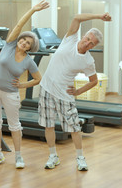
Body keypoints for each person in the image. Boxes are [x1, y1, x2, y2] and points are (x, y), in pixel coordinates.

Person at [38, 12, 111, 171]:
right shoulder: (70, 38)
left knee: (75, 128)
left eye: (91, 43)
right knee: (48, 126)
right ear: (83, 36)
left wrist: (78, 91)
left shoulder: (88, 61)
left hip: (65, 95)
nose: (87, 43)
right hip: (46, 89)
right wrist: (99, 16)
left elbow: (94, 81)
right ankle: (53, 156)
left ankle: (80, 158)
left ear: (94, 46)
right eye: (87, 39)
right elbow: (77, 17)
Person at [0, 0, 49, 169]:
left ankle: (19, 157)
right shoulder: (10, 44)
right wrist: (33, 10)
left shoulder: (29, 61)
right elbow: (20, 24)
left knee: (14, 125)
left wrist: (23, 86)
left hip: (10, 93)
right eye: (23, 40)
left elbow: (38, 79)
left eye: (28, 42)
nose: (24, 42)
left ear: (30, 47)